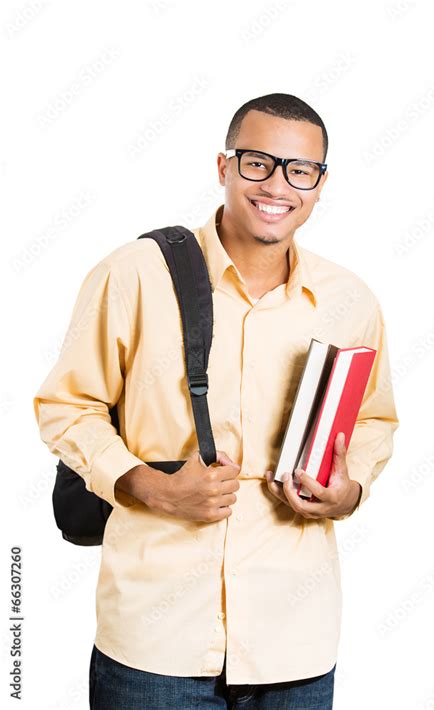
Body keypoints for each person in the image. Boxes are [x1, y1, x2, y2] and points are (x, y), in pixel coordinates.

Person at [33, 93, 399, 709]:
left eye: (299, 170)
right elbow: (68, 407)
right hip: (154, 644)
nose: (277, 185)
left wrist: (351, 487)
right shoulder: (134, 274)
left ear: (319, 183)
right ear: (224, 166)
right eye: (257, 162)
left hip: (295, 640)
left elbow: (372, 418)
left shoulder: (350, 299)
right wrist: (149, 486)